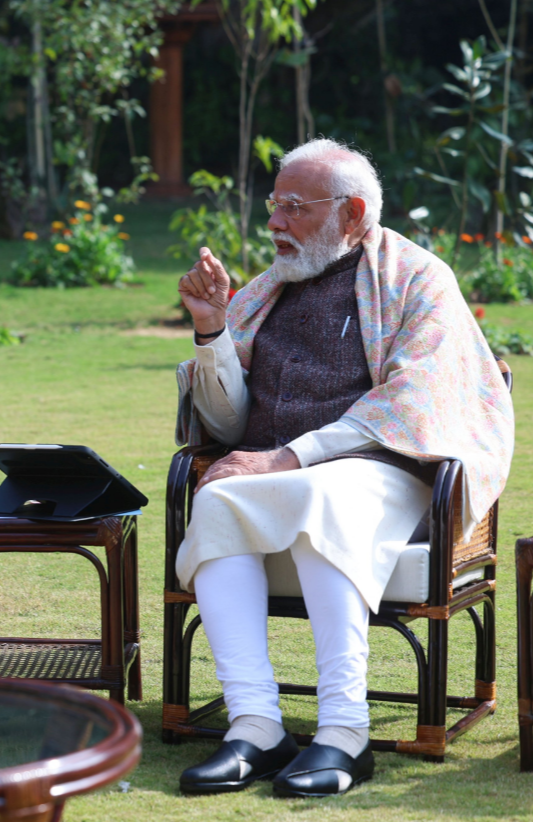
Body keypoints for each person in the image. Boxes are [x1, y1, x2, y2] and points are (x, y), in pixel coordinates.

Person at [174, 138, 513, 798]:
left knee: (325, 494)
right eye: (274, 204)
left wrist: (289, 454)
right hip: (286, 476)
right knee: (213, 498)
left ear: (353, 213)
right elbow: (222, 427)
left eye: (293, 207)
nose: (272, 222)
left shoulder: (419, 279)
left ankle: (343, 736)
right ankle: (255, 727)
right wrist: (212, 329)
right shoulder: (265, 291)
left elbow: (411, 402)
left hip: (387, 469)